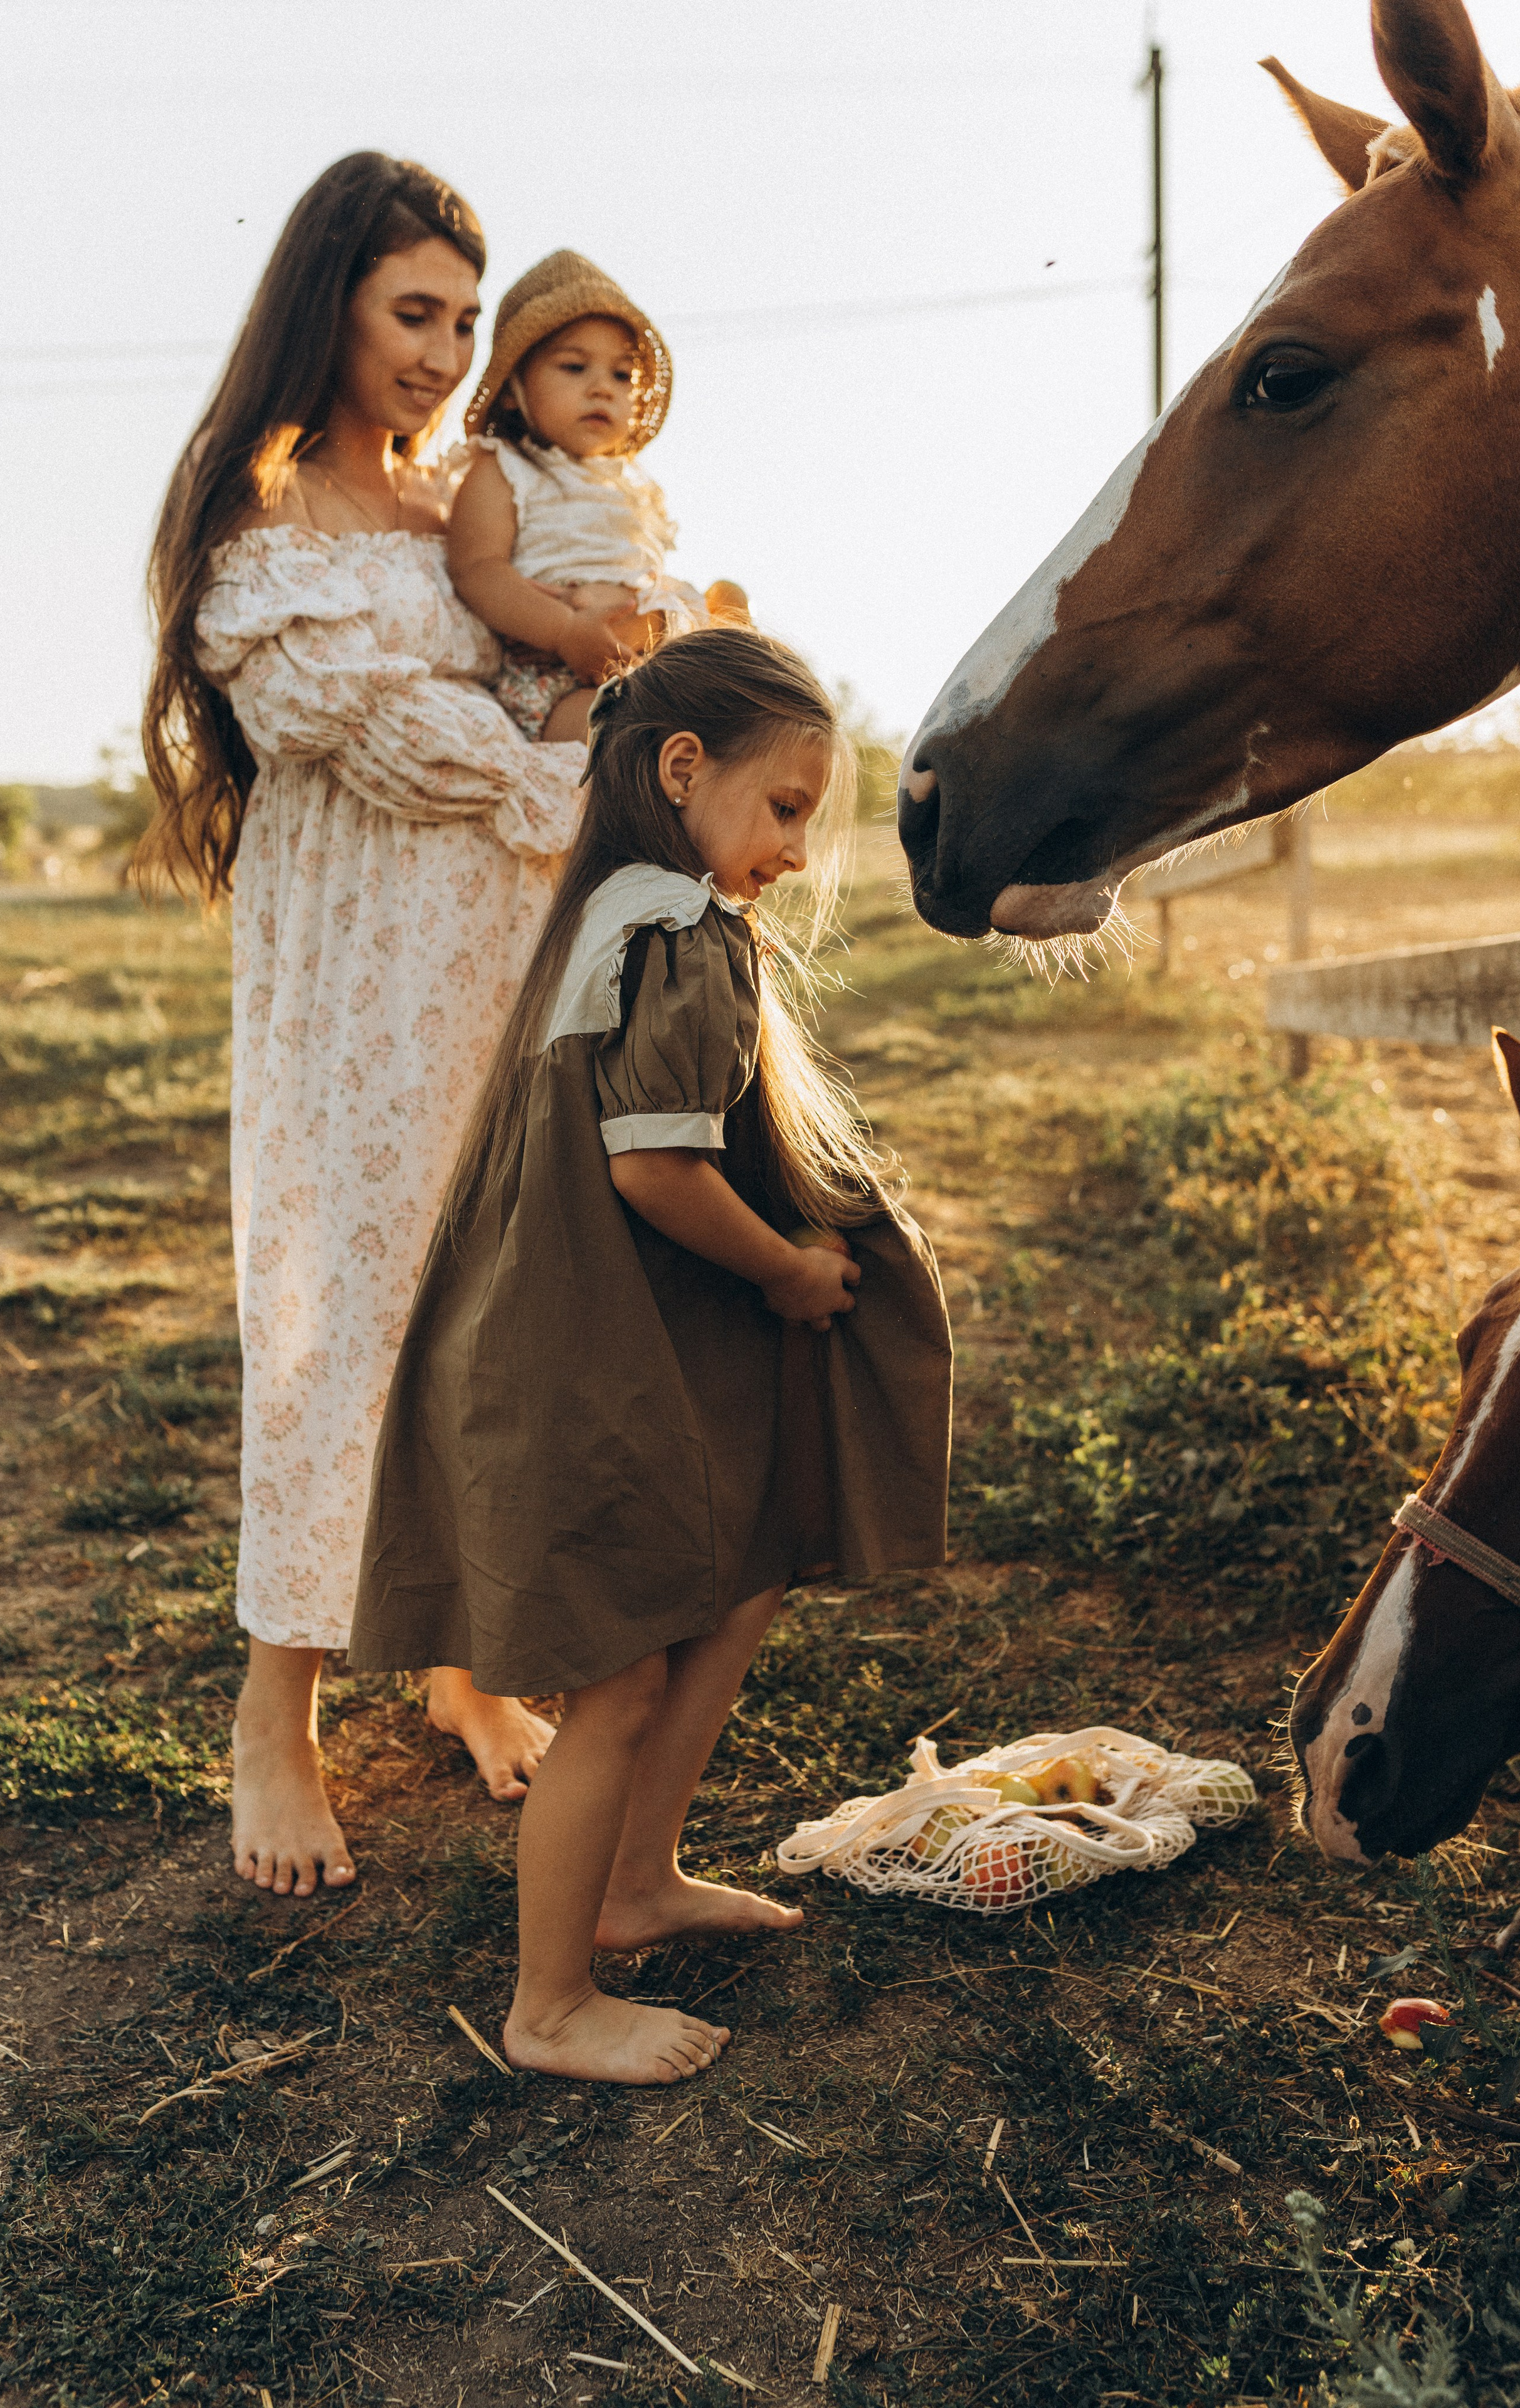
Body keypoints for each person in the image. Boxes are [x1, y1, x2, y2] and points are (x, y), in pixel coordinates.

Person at [351, 628, 953, 2083]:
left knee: (735, 1583)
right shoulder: (678, 928)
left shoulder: (600, 910)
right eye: (787, 807)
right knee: (610, 1683)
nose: (798, 852)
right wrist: (795, 1268)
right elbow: (654, 1169)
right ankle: (548, 2002)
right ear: (682, 770)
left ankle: (637, 1880)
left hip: (568, 1339)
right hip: (572, 1365)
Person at [140, 153, 591, 1899]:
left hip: (499, 957)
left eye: (466, 322)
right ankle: (278, 1711)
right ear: (326, 302)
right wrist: (563, 770)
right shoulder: (255, 527)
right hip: (353, 985)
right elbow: (388, 734)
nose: (441, 351)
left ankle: (463, 1652)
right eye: (415, 313)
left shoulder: (473, 501)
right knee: (340, 1313)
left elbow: (547, 671)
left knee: (488, 1309)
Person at [446, 250, 737, 747]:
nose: (602, 388)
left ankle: (730, 667)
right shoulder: (504, 466)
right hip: (555, 672)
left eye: (622, 375)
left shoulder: (624, 481)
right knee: (622, 740)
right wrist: (564, 630)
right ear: (514, 389)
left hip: (642, 656)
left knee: (722, 607)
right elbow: (477, 569)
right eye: (575, 367)